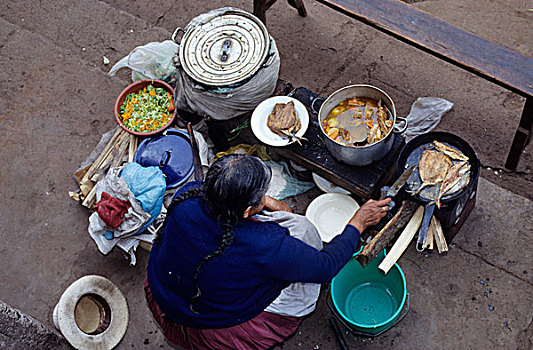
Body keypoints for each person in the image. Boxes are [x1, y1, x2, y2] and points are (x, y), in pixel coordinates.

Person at [145, 154, 391, 349]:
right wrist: (358, 223)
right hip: (209, 319)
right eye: (262, 195)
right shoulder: (263, 245)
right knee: (303, 250)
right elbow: (325, 267)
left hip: (167, 290)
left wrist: (266, 203)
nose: (266, 196)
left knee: (297, 227)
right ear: (246, 211)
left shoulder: (186, 197)